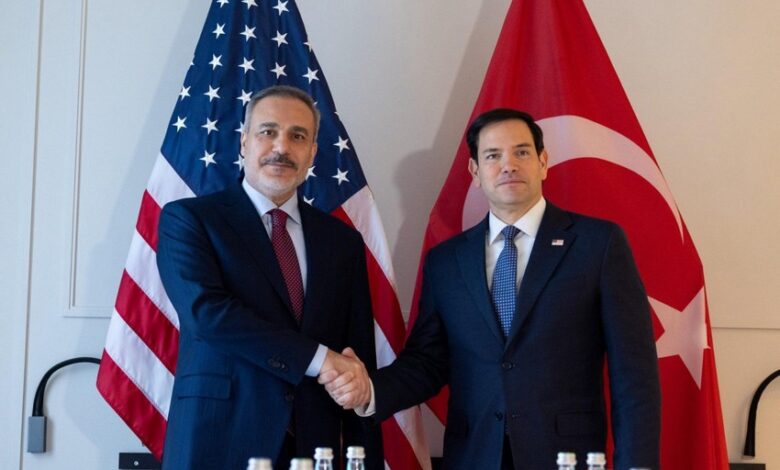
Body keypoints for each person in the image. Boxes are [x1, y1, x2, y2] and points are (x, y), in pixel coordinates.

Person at [322, 109, 660, 469]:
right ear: (475, 172)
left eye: (522, 152)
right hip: (474, 455)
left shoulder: (598, 244)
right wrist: (370, 390)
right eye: (493, 156)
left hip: (565, 456)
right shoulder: (446, 261)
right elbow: (427, 362)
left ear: (543, 162)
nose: (508, 165)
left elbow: (633, 373)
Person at [156, 85, 382, 470]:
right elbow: (207, 315)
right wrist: (320, 360)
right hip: (218, 440)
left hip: (315, 446)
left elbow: (356, 358)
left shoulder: (342, 242)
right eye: (268, 131)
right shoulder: (190, 220)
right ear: (244, 142)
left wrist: (365, 456)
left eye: (298, 136)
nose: (282, 147)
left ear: (312, 153)